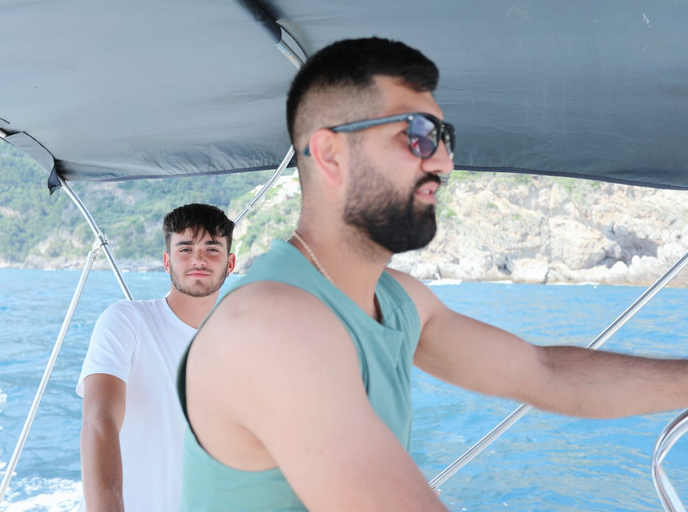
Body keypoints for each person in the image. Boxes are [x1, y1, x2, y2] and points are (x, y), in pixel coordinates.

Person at [177, 38, 688, 512]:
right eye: (417, 135)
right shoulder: (268, 327)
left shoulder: (398, 302)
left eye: (444, 136)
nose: (443, 161)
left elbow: (544, 373)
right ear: (330, 154)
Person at [77, 203, 235, 512]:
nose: (198, 259)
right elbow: (99, 421)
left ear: (230, 264)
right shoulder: (127, 321)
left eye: (211, 249)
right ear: (167, 262)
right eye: (185, 249)